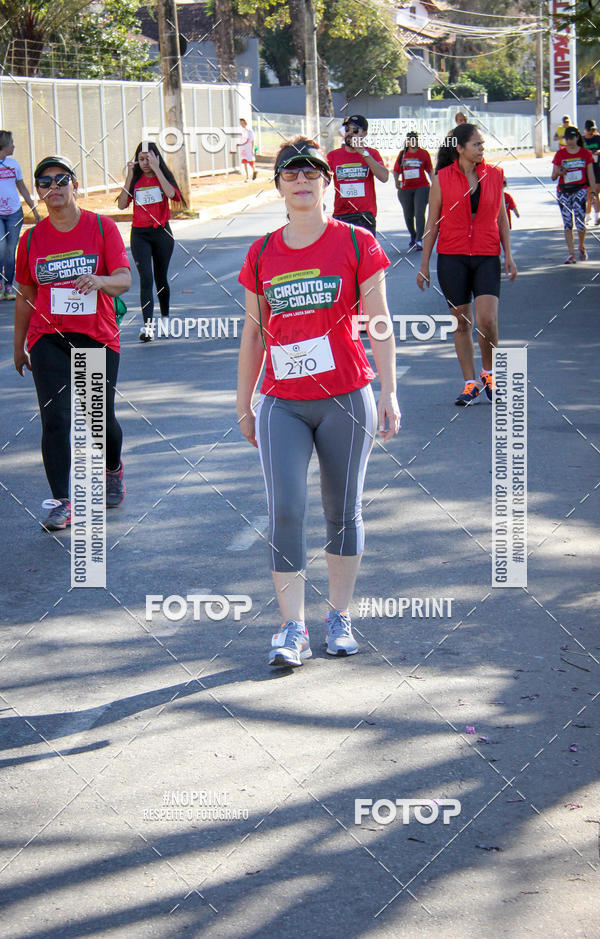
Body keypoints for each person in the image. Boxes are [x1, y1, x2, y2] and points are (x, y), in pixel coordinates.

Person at [237, 136, 400, 668]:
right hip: (282, 402)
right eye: (291, 173)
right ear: (279, 185)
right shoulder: (262, 252)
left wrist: (389, 391)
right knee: (285, 508)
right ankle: (292, 628)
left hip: (346, 398)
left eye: (312, 173)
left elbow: (378, 322)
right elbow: (253, 336)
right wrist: (245, 402)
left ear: (328, 183)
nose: (301, 180)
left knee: (342, 510)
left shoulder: (355, 244)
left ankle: (339, 616)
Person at [14, 155, 130, 531]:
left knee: (98, 420)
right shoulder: (31, 239)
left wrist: (99, 282)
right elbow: (25, 294)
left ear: (74, 184)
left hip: (96, 335)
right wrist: (18, 346)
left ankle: (112, 467)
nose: (53, 188)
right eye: (44, 182)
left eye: (61, 180)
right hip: (48, 337)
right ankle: (62, 502)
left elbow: (124, 279)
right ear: (39, 191)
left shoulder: (102, 227)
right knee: (56, 418)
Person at [416, 124, 518, 406]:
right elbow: (432, 222)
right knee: (461, 323)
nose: (482, 148)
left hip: (487, 255)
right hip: (452, 257)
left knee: (488, 321)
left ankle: (488, 373)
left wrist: (508, 254)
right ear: (460, 148)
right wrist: (424, 263)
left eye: (483, 144)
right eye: (476, 144)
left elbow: (501, 219)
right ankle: (470, 383)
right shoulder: (442, 179)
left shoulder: (495, 175)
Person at [117, 141, 183, 342]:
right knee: (146, 280)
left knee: (160, 278)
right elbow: (121, 205)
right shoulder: (135, 181)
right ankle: (148, 327)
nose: (145, 163)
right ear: (136, 161)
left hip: (162, 233)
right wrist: (129, 178)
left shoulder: (162, 177)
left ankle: (164, 318)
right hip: (140, 235)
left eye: (149, 159)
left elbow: (172, 195)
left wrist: (157, 169)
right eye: (141, 159)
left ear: (156, 158)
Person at [327, 115, 389, 235]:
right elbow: (322, 181)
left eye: (355, 130)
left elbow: (384, 177)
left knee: (363, 254)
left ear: (364, 133)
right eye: (347, 129)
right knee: (343, 253)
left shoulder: (371, 153)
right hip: (341, 215)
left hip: (364, 215)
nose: (350, 133)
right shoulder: (333, 155)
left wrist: (362, 152)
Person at [0, 130, 39, 300]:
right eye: (11, 143)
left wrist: (33, 208)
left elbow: (22, 187)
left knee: (10, 251)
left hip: (14, 213)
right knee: (0, 248)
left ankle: (9, 286)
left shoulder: (14, 164)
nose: (13, 146)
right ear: (3, 145)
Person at [551, 125, 596, 263]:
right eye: (567, 138)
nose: (569, 141)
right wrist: (560, 172)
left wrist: (593, 192)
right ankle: (571, 253)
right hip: (564, 190)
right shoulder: (560, 154)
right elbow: (553, 176)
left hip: (580, 189)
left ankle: (581, 245)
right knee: (567, 222)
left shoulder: (585, 154)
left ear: (577, 138)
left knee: (579, 220)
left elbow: (591, 175)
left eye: (571, 138)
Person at [393, 132, 433, 250]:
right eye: (410, 140)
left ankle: (419, 239)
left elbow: (430, 170)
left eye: (415, 139)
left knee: (419, 213)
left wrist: (435, 184)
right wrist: (396, 180)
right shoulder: (402, 154)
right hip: (406, 188)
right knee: (408, 214)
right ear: (407, 141)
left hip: (421, 187)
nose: (413, 142)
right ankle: (413, 235)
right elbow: (396, 170)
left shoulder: (423, 154)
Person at [582, 119, 600, 226]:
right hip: (586, 169)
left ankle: (597, 216)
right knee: (589, 194)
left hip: (597, 167)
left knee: (595, 192)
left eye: (593, 130)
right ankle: (588, 215)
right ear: (585, 130)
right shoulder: (582, 140)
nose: (591, 132)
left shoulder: (598, 138)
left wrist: (597, 152)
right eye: (589, 130)